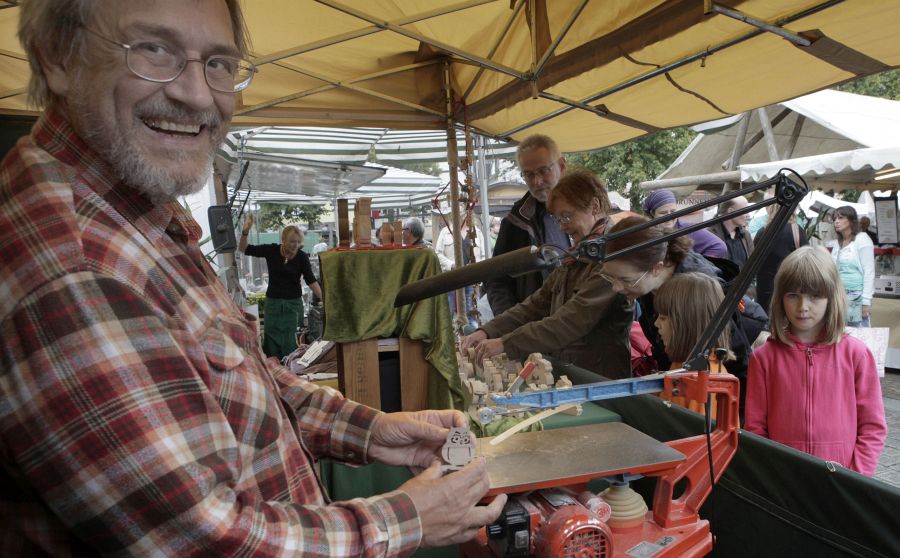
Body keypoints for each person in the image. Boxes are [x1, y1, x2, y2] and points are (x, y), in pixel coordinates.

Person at [1, 1, 504, 555]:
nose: (198, 95)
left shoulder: (135, 210)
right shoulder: (73, 267)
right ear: (57, 58)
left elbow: (239, 386)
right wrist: (406, 519)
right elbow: (205, 539)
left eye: (219, 62)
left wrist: (372, 430)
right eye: (154, 49)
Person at [461, 171, 633, 379]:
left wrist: (505, 343)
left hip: (601, 378)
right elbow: (535, 304)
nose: (562, 227)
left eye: (567, 217)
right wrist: (488, 331)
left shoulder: (611, 255)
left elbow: (569, 321)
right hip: (573, 370)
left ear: (594, 207)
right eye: (557, 219)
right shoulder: (577, 253)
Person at [600, 216, 768, 412]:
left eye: (625, 280)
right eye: (610, 278)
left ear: (657, 267)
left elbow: (737, 363)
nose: (616, 287)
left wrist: (738, 420)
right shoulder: (646, 283)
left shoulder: (699, 289)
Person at [745, 247, 886, 476]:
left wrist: (855, 478)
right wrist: (773, 476)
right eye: (793, 295)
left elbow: (873, 427)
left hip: (841, 482)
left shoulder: (857, 355)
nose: (803, 306)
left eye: (814, 296)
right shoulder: (763, 358)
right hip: (784, 481)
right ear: (780, 298)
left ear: (831, 297)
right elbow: (755, 428)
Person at [484, 134, 570, 316]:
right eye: (529, 175)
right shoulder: (516, 223)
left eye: (544, 171)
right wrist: (512, 321)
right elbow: (495, 279)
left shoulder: (586, 211)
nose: (537, 181)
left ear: (562, 166)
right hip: (535, 327)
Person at [239, 215, 323, 360]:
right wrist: (245, 231)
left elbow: (311, 280)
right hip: (273, 304)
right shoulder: (271, 250)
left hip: (293, 305)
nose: (295, 245)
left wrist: (324, 299)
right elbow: (243, 248)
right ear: (283, 239)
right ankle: (274, 368)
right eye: (292, 241)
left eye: (298, 242)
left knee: (293, 340)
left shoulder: (302, 257)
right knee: (271, 339)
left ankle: (292, 366)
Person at [654, 272, 733, 413]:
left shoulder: (702, 379)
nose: (656, 323)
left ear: (687, 324)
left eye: (663, 318)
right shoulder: (683, 365)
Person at [753, 202, 808, 314]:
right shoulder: (797, 231)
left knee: (767, 318)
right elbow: (807, 260)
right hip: (790, 285)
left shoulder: (762, 232)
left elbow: (754, 261)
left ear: (771, 211)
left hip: (765, 288)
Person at [641, 189, 727, 258]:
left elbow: (719, 247)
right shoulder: (647, 234)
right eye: (663, 213)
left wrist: (701, 267)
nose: (669, 217)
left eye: (673, 211)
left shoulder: (688, 229)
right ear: (652, 214)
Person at [826, 206, 875, 326]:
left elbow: (869, 272)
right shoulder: (838, 242)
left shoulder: (862, 239)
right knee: (840, 333)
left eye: (841, 218)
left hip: (857, 297)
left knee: (858, 334)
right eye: (834, 219)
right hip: (838, 295)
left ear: (852, 220)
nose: (836, 221)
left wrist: (866, 301)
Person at [709, 195, 754, 270]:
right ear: (731, 211)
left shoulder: (746, 235)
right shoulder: (711, 235)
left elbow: (753, 263)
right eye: (745, 211)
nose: (748, 215)